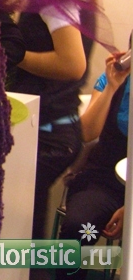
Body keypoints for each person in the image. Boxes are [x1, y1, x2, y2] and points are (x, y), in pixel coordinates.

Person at [7, 0, 101, 243]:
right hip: (55, 128)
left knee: (19, 231)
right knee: (25, 225)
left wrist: (15, 55)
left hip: (48, 133)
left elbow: (72, 64)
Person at [55, 51, 129, 279]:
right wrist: (112, 87)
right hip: (104, 180)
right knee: (78, 227)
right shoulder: (113, 77)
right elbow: (87, 133)